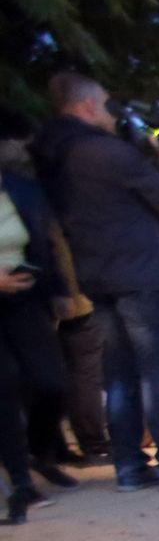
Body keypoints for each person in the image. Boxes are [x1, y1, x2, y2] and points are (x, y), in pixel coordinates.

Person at [29, 74, 159, 491]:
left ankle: (130, 468)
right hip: (145, 274)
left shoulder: (58, 155)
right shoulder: (106, 152)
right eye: (103, 103)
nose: (109, 111)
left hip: (97, 275)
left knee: (118, 375)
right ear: (85, 107)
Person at [0, 146, 71, 521]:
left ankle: (38, 453)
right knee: (5, 382)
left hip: (24, 298)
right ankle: (21, 481)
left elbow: (44, 244)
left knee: (52, 381)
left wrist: (59, 290)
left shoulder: (20, 189)